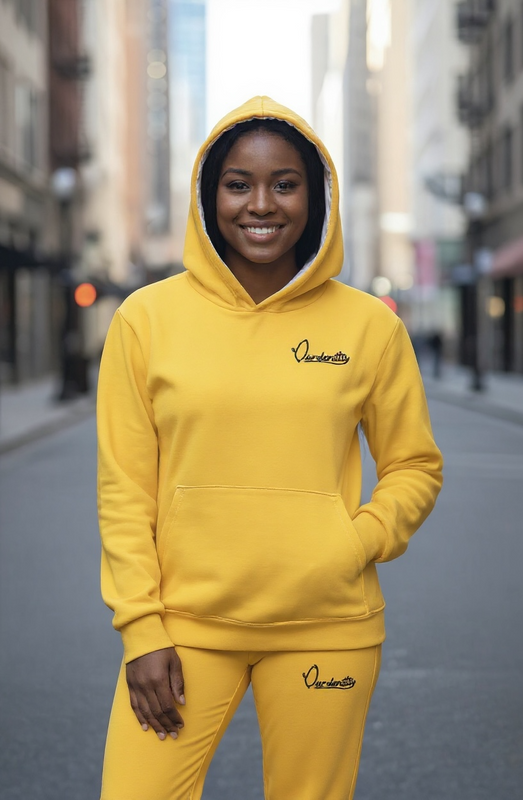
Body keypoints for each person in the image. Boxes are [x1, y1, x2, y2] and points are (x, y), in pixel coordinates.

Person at [97, 96, 443, 800]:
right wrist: (141, 630)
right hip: (185, 627)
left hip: (326, 626)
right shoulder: (146, 319)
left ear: (315, 198)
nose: (260, 204)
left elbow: (413, 466)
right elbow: (124, 490)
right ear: (209, 195)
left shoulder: (367, 328)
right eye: (237, 184)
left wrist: (352, 542)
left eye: (284, 183)